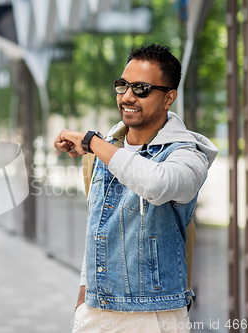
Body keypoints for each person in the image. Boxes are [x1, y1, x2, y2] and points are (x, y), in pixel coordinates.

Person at [54, 43, 218, 333]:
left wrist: (93, 142)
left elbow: (156, 183)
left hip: (154, 315)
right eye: (123, 85)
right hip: (95, 311)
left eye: (141, 88)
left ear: (168, 98)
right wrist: (84, 293)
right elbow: (99, 228)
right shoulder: (107, 148)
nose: (128, 96)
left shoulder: (187, 155)